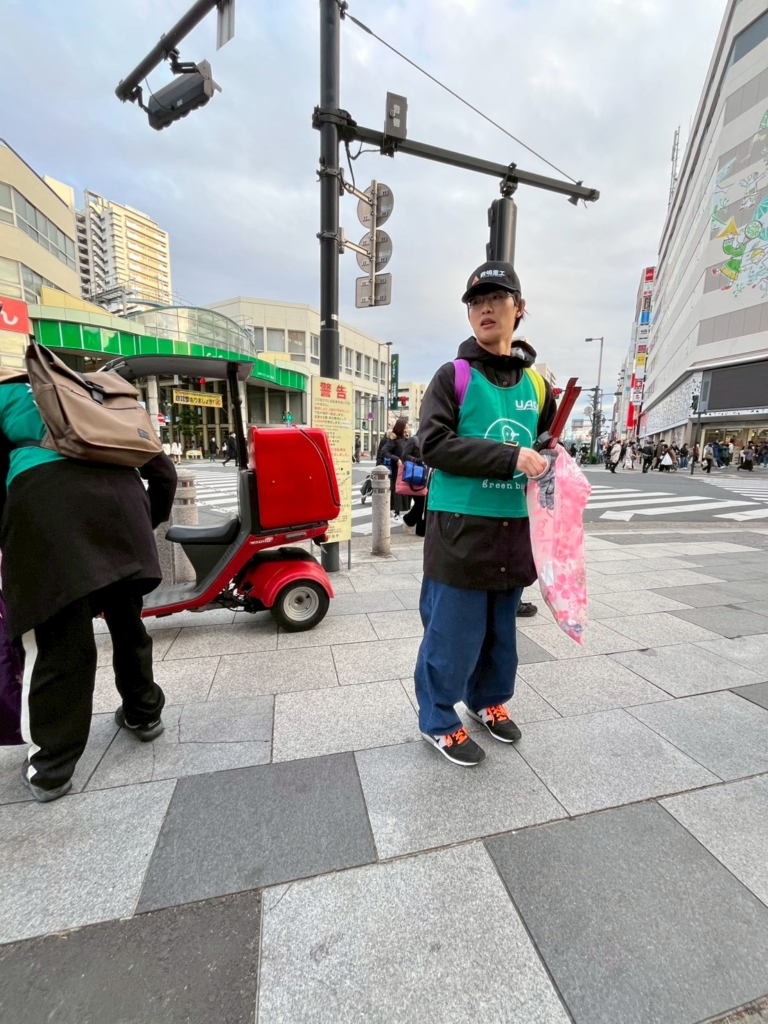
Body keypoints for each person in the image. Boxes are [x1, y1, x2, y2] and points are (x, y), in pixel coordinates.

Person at [0, 367, 177, 802]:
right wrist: (142, 526)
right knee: (128, 623)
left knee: (59, 641)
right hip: (123, 514)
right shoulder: (101, 396)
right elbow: (164, 474)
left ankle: (51, 768)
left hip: (46, 516)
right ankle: (144, 713)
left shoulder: (8, 398)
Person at [414, 260, 556, 767]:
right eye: (476, 302)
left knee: (500, 633)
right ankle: (437, 720)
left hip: (513, 528)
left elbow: (544, 444)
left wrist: (549, 458)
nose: (485, 309)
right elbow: (432, 444)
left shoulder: (538, 385)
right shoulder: (453, 376)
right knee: (452, 633)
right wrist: (509, 456)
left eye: (497, 298)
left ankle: (487, 700)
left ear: (519, 308)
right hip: (460, 528)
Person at [376, 418, 411, 521]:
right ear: (401, 428)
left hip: (405, 468)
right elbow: (384, 451)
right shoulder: (393, 439)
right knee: (396, 490)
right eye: (406, 427)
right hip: (395, 469)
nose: (407, 429)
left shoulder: (406, 439)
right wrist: (396, 459)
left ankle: (398, 511)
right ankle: (396, 512)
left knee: (403, 489)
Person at [401, 433, 428, 538]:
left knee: (424, 503)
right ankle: (409, 520)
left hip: (425, 475)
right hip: (415, 476)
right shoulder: (414, 440)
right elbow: (404, 455)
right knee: (421, 502)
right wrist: (416, 460)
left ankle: (420, 530)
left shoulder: (428, 441)